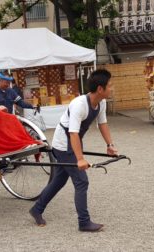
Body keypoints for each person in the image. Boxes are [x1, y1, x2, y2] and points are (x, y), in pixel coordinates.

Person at [29, 69, 118, 232]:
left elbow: (102, 124)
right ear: (100, 88)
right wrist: (80, 159)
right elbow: (73, 133)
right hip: (64, 143)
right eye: (110, 85)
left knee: (59, 180)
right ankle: (84, 222)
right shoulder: (79, 104)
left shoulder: (101, 103)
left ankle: (37, 209)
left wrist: (110, 145)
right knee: (81, 181)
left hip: (73, 142)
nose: (112, 88)